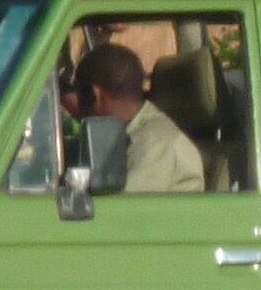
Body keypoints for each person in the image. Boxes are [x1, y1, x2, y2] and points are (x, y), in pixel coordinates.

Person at [70, 33, 205, 196]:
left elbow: (114, 212)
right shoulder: (128, 136)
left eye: (79, 95)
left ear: (94, 95)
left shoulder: (156, 143)